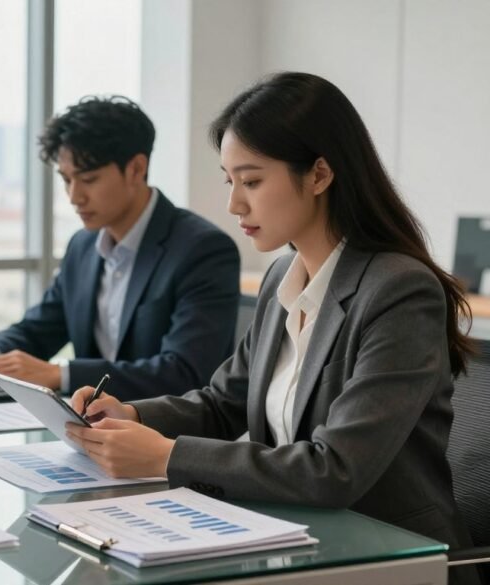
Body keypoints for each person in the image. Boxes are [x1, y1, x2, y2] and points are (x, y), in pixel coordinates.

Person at [66, 72, 477, 582]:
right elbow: (224, 403)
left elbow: (335, 469)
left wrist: (167, 456)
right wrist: (131, 413)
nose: (235, 204)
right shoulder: (283, 276)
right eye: (230, 181)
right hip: (292, 542)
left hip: (389, 557)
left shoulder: (399, 290)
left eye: (253, 181)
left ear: (320, 175)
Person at [0, 96, 240, 400]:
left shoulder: (202, 250)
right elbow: (41, 327)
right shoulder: (83, 246)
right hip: (90, 428)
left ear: (136, 169)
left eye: (88, 179)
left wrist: (62, 374)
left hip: (164, 436)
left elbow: (185, 373)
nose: (74, 196)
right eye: (66, 180)